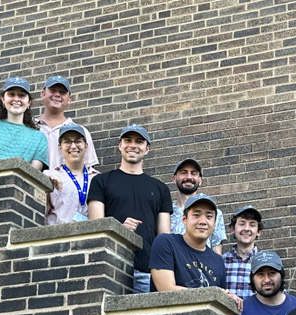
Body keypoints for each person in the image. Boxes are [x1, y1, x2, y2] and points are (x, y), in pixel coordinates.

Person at [87, 125, 172, 293]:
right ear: (120, 145)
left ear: (147, 149)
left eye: (139, 142)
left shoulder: (161, 188)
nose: (133, 145)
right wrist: (120, 229)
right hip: (111, 267)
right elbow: (96, 227)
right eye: (128, 140)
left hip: (147, 271)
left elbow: (164, 236)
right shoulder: (101, 181)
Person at [149, 194, 242, 311]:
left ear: (214, 223)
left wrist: (228, 298)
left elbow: (218, 308)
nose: (203, 221)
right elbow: (166, 290)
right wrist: (215, 294)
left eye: (209, 216)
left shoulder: (218, 260)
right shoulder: (166, 243)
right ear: (184, 219)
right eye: (196, 215)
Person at [35, 76, 98, 173]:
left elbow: (89, 170)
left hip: (66, 187)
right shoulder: (28, 127)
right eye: (53, 90)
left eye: (62, 92)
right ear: (43, 93)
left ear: (69, 99)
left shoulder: (81, 132)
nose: (57, 94)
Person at [44, 123, 99, 225]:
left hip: (88, 236)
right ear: (60, 147)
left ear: (86, 146)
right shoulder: (50, 175)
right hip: (57, 236)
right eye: (67, 142)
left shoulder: (98, 178)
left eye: (78, 141)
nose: (73, 146)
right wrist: (45, 181)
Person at [170, 159, 226, 254]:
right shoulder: (166, 212)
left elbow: (217, 252)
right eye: (183, 172)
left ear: (200, 180)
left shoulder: (214, 213)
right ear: (174, 179)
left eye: (194, 173)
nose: (189, 177)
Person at [223, 205, 262, 299]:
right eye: (242, 223)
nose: (247, 229)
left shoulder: (265, 262)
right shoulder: (220, 261)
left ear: (258, 232)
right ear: (232, 229)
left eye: (252, 225)